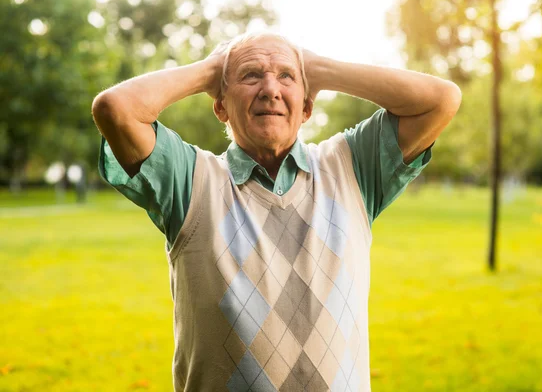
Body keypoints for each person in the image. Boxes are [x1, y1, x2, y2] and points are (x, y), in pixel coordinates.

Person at [92, 31, 461, 392]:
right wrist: (212, 68)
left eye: (286, 76)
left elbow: (441, 99)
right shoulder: (189, 180)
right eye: (250, 75)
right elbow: (116, 109)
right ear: (220, 105)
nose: (270, 89)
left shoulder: (352, 166)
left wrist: (320, 68)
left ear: (307, 107)